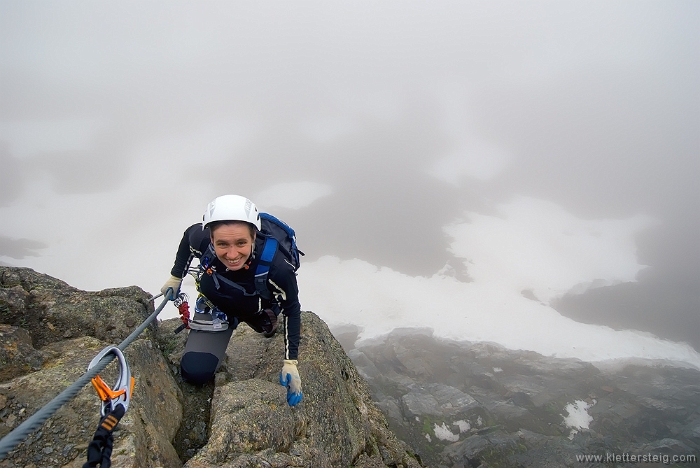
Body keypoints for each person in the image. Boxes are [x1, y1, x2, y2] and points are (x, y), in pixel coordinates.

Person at [160, 194, 302, 406]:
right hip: (216, 306)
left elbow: (291, 309)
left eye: (241, 242)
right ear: (211, 240)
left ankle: (261, 318)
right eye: (223, 244)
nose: (232, 254)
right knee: (195, 372)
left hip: (256, 310)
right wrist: (175, 276)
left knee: (267, 327)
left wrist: (291, 361)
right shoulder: (200, 239)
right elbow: (188, 238)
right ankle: (228, 319)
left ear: (254, 236)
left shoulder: (277, 268)